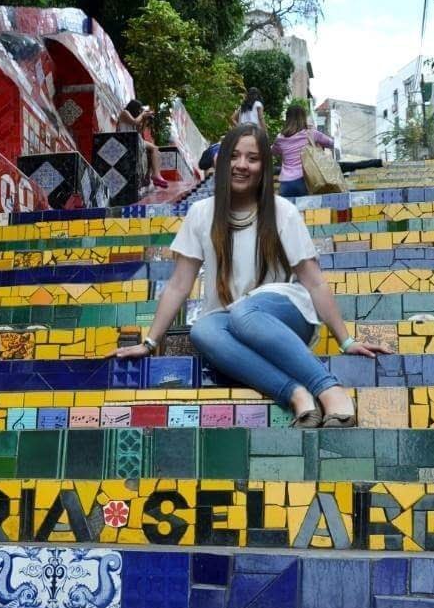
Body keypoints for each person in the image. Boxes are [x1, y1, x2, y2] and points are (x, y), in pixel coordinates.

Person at [112, 124, 391, 427]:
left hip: (284, 316)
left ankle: (329, 390)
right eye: (235, 156)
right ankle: (297, 395)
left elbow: (314, 281)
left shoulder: (282, 211)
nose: (242, 165)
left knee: (245, 311)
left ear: (264, 168)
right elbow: (179, 284)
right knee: (202, 330)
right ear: (222, 161)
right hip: (231, 320)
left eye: (253, 158)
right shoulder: (201, 213)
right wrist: (150, 342)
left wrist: (346, 340)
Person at [272, 104, 335, 198]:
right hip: (305, 180)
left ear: (287, 118)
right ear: (303, 118)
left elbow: (271, 151)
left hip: (286, 183)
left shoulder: (280, 138)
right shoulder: (311, 133)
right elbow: (331, 143)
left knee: (287, 211)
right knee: (307, 211)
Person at [117, 99, 168, 188]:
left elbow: (139, 132)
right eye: (139, 109)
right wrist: (142, 114)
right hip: (124, 139)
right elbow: (134, 121)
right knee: (154, 148)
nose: (139, 112)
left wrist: (144, 120)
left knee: (154, 151)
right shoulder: (124, 113)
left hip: (132, 140)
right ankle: (156, 175)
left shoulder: (135, 117)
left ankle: (148, 176)